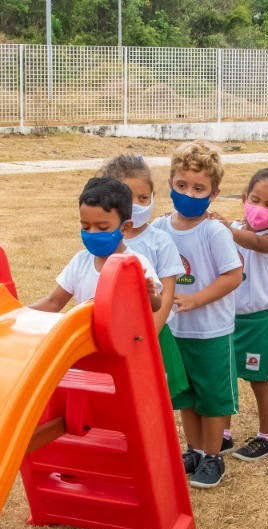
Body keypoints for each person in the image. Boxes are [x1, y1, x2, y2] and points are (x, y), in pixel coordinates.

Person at [150, 140, 244, 489]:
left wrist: (196, 299)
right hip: (175, 331)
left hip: (211, 331)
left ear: (214, 193)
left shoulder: (214, 231)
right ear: (171, 184)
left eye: (199, 188)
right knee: (186, 395)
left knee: (213, 397)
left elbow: (234, 275)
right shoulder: (159, 229)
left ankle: (213, 456)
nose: (189, 193)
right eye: (182, 186)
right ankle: (193, 450)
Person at [206, 163, 268, 461]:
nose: (260, 208)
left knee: (259, 381)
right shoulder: (234, 228)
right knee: (225, 379)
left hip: (258, 322)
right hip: (226, 320)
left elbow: (257, 244)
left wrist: (227, 230)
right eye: (255, 200)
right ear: (243, 197)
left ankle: (267, 437)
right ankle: (223, 434)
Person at [98, 154, 190, 399]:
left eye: (144, 198)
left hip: (153, 338)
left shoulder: (159, 240)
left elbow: (167, 294)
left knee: (155, 405)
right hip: (113, 340)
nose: (137, 205)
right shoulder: (105, 242)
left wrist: (148, 335)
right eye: (129, 198)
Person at [29, 176, 162, 314]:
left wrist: (148, 293)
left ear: (125, 227)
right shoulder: (80, 262)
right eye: (86, 227)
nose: (92, 233)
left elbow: (155, 306)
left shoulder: (136, 264)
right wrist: (18, 313)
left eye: (102, 227)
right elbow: (54, 303)